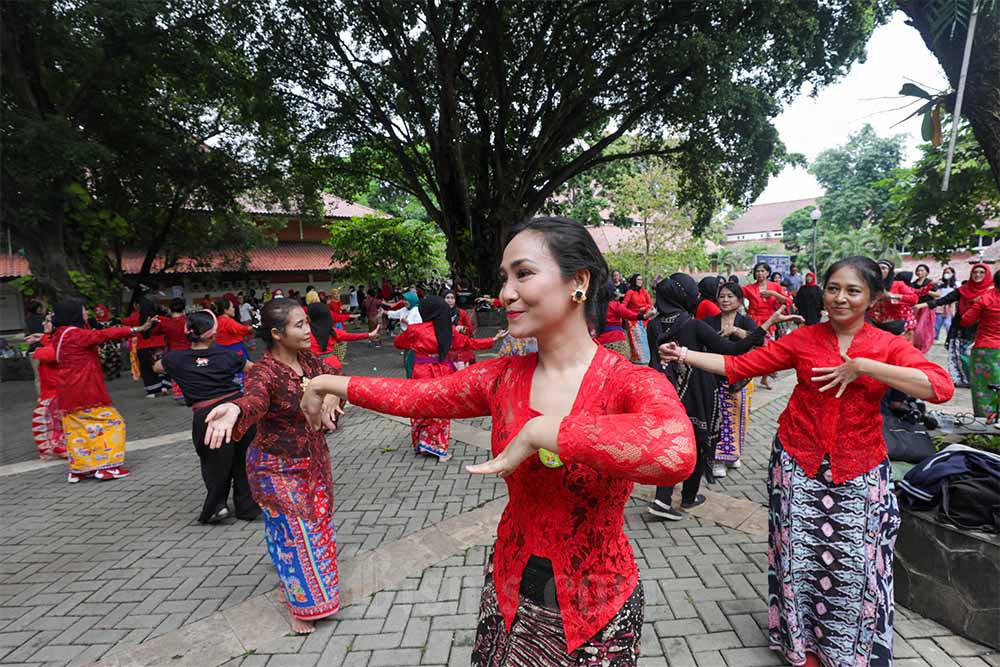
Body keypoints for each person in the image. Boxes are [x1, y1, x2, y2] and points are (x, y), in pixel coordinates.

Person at [300, 216, 697, 665]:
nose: (506, 293)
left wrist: (543, 431)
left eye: (523, 274)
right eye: (504, 278)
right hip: (508, 590)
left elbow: (675, 451)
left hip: (595, 608)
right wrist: (331, 382)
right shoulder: (502, 377)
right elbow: (418, 395)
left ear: (578, 282)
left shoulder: (627, 382)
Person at [658, 256, 954, 667]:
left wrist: (864, 367)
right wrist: (685, 354)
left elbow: (940, 388)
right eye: (833, 288)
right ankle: (800, 644)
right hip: (797, 462)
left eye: (853, 291)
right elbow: (739, 365)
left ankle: (849, 649)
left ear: (873, 298)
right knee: (796, 557)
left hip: (860, 467)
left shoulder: (887, 345)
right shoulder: (805, 340)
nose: (840, 298)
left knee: (857, 564)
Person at [203, 298, 344, 634]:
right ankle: (300, 606)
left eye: (307, 322)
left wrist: (335, 394)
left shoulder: (308, 360)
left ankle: (307, 591)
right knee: (296, 534)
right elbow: (254, 400)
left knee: (319, 526)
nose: (309, 330)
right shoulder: (264, 372)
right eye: (300, 325)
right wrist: (235, 410)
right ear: (278, 334)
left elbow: (334, 375)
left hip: (313, 460)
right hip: (276, 467)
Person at [646, 274, 799, 520]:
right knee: (698, 445)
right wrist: (767, 323)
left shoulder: (654, 325)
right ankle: (687, 497)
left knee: (671, 445)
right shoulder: (693, 325)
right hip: (698, 395)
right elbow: (733, 350)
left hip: (665, 394)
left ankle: (662, 499)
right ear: (683, 295)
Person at [155, 310, 259, 524]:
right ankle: (247, 507)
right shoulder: (227, 355)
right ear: (213, 334)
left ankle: (217, 506)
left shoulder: (174, 359)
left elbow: (157, 368)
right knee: (244, 460)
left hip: (207, 416)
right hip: (237, 409)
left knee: (214, 463)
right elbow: (254, 370)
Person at [52, 299, 158, 483]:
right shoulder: (75, 334)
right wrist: (137, 329)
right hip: (86, 389)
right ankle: (108, 467)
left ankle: (80, 469)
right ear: (74, 314)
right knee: (113, 423)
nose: (86, 313)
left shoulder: (59, 334)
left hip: (67, 391)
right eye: (84, 310)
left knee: (77, 430)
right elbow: (104, 335)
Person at [391, 295, 505, 461]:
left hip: (420, 371)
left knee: (419, 405)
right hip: (442, 372)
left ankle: (422, 443)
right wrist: (492, 340)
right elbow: (468, 343)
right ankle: (438, 447)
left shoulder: (416, 330)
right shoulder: (447, 330)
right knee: (440, 408)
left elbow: (398, 343)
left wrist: (413, 339)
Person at [703, 282, 767, 479]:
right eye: (722, 296)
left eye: (730, 296)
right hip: (714, 376)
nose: (725, 300)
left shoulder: (746, 321)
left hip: (741, 378)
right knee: (718, 418)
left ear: (739, 301)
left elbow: (759, 340)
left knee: (738, 417)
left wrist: (735, 331)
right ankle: (719, 459)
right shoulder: (709, 321)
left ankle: (733, 454)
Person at [918, 263, 992, 388]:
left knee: (978, 356)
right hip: (961, 327)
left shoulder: (992, 291)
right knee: (958, 354)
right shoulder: (963, 289)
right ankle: (961, 379)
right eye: (975, 272)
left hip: (982, 329)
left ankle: (978, 380)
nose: (977, 275)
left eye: (981, 272)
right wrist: (922, 305)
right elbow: (944, 300)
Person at [958, 269, 1000, 418]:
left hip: (986, 350)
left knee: (984, 389)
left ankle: (986, 425)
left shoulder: (985, 298)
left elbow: (966, 320)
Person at [744, 262, 788, 389]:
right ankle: (748, 379)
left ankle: (764, 378)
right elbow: (736, 294)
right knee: (751, 350)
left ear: (768, 273)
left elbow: (787, 301)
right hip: (752, 321)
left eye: (763, 271)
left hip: (769, 321)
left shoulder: (775, 287)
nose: (760, 273)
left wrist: (773, 294)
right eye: (757, 271)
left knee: (768, 351)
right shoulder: (749, 288)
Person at [29, 322, 67, 460]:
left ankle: (62, 448)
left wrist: (38, 351)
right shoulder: (55, 339)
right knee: (48, 422)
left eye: (48, 320)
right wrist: (42, 338)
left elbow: (52, 353)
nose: (43, 323)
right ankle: (60, 447)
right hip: (51, 392)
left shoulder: (61, 342)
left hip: (56, 392)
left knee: (48, 421)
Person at [306, 302, 378, 372]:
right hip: (332, 364)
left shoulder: (306, 332)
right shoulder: (332, 331)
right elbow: (350, 336)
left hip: (314, 366)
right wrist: (369, 335)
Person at [123, 297, 169, 397]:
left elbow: (125, 322)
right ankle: (165, 385)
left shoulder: (135, 317)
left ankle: (153, 390)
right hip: (159, 345)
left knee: (147, 369)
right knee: (162, 366)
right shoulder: (159, 318)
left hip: (143, 346)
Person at [158, 298, 191, 402]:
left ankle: (179, 395)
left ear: (170, 309)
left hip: (173, 352)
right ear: (183, 308)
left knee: (176, 374)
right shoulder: (187, 321)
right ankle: (190, 394)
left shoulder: (165, 323)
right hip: (188, 351)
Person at [596, 287, 641, 358]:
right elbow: (629, 314)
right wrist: (643, 316)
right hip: (617, 339)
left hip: (599, 341)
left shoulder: (594, 307)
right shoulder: (614, 305)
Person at [622, 273, 654, 363]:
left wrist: (645, 308)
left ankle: (648, 360)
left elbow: (650, 304)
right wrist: (628, 315)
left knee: (646, 339)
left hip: (645, 319)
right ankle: (638, 360)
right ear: (634, 281)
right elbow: (623, 306)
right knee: (637, 341)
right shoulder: (630, 292)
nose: (640, 281)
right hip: (634, 320)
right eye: (638, 279)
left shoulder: (644, 291)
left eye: (641, 280)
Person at [443, 289, 477, 370]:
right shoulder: (439, 314)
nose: (450, 300)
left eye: (452, 298)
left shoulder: (462, 313)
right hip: (446, 350)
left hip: (461, 351)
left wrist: (463, 329)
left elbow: (470, 330)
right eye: (447, 298)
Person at [910, 264, 939, 353]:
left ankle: (923, 348)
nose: (919, 272)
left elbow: (938, 294)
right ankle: (915, 347)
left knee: (922, 329)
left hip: (927, 307)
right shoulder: (913, 283)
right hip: (916, 308)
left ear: (927, 272)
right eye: (918, 270)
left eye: (922, 270)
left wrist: (926, 290)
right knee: (914, 329)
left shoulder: (930, 282)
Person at [934, 267, 957, 342]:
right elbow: (937, 294)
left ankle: (950, 339)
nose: (946, 274)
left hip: (950, 307)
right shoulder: (940, 284)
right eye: (945, 272)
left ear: (952, 274)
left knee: (948, 324)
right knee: (937, 324)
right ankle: (935, 338)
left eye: (948, 272)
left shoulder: (956, 285)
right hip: (940, 306)